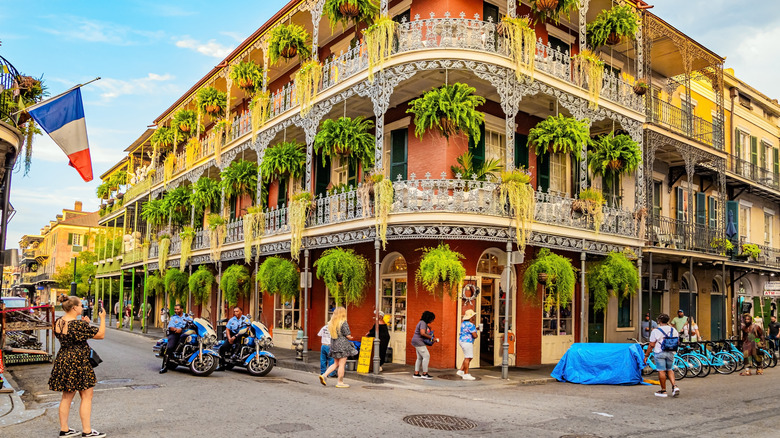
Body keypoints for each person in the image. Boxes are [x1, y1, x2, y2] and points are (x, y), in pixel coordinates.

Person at [48, 295, 106, 438]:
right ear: (74, 308)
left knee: (66, 397)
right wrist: (103, 319)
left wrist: (84, 325)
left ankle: (64, 429)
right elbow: (100, 334)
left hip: (63, 358)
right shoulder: (77, 325)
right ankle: (87, 431)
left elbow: (70, 336)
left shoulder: (58, 322)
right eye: (80, 305)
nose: (82, 307)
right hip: (79, 360)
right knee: (87, 396)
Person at [319, 307, 356, 388]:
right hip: (342, 345)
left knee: (336, 363)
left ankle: (324, 375)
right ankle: (340, 382)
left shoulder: (331, 323)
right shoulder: (343, 322)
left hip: (334, 344)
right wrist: (351, 338)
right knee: (342, 364)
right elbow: (347, 335)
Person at [645, 313, 680, 398]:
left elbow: (652, 345)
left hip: (659, 352)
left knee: (661, 371)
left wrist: (646, 355)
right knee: (670, 369)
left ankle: (663, 390)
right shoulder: (673, 330)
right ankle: (674, 386)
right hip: (671, 352)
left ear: (659, 321)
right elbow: (677, 342)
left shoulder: (656, 331)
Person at [159, 304, 192, 374]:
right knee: (170, 347)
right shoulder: (173, 318)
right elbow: (170, 327)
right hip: (174, 333)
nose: (176, 311)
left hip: (185, 333)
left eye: (178, 309)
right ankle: (164, 367)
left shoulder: (187, 317)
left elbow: (193, 323)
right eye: (175, 309)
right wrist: (177, 330)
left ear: (182, 309)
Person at [217, 306, 250, 370]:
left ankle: (235, 355)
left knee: (239, 338)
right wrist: (229, 338)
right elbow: (227, 329)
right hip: (232, 335)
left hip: (242, 335)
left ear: (241, 312)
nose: (235, 313)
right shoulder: (232, 320)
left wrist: (235, 337)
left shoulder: (245, 319)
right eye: (234, 311)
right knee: (223, 347)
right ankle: (222, 365)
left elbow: (246, 328)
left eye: (237, 311)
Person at [411, 311, 438, 380]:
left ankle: (416, 373)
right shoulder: (423, 323)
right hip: (419, 342)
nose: (432, 320)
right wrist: (432, 338)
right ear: (428, 318)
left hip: (415, 341)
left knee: (419, 358)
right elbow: (422, 333)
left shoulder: (421, 323)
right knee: (426, 356)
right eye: (432, 319)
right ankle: (424, 373)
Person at [457, 309, 478, 380]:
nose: (474, 317)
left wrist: (475, 329)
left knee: (469, 357)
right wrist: (476, 333)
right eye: (473, 316)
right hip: (467, 342)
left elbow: (467, 330)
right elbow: (475, 335)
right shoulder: (471, 325)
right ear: (471, 317)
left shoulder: (463, 323)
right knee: (468, 357)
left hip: (462, 341)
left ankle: (461, 370)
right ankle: (466, 374)